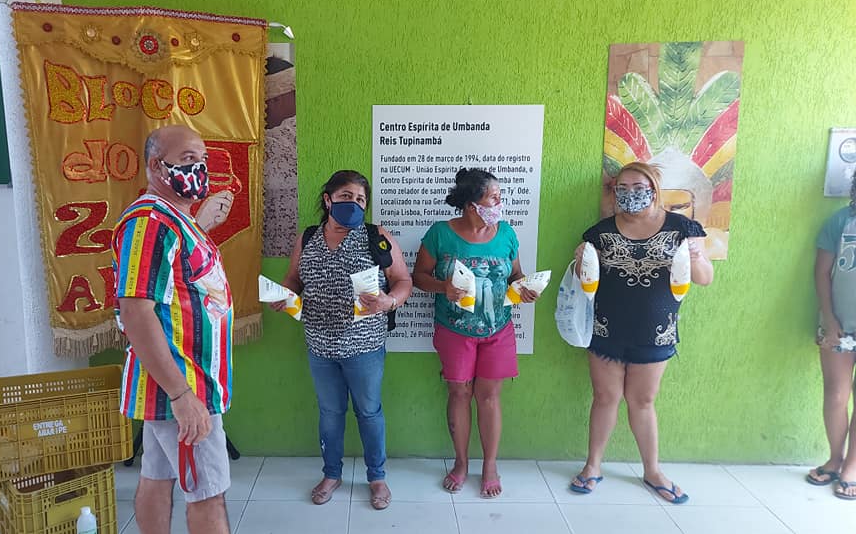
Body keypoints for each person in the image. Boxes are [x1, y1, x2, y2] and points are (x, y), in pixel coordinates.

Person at [113, 125, 234, 534]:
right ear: (155, 166)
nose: (198, 168)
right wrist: (182, 396)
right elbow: (136, 311)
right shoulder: (151, 223)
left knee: (157, 477)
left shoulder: (176, 220)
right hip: (181, 387)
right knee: (207, 493)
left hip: (180, 386)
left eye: (202, 160)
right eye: (187, 160)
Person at [569, 161, 713, 504]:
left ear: (653, 189)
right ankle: (592, 466)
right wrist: (579, 260)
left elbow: (705, 278)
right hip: (606, 327)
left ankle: (653, 471)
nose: (630, 194)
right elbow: (583, 279)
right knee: (605, 397)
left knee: (643, 401)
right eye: (622, 188)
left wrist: (696, 258)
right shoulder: (599, 233)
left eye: (638, 188)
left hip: (656, 331)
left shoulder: (682, 228)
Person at [271, 170, 412, 510]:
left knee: (369, 412)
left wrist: (389, 301)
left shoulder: (376, 236)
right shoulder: (308, 238)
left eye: (360, 199)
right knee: (330, 413)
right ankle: (331, 473)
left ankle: (376, 477)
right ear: (328, 199)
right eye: (346, 196)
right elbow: (293, 278)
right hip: (319, 345)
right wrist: (283, 294)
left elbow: (403, 280)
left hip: (364, 346)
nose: (354, 204)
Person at [412, 168, 540, 499]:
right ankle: (461, 463)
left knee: (489, 396)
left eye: (500, 197)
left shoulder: (506, 233)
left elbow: (515, 274)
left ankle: (490, 465)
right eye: (494, 198)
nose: (500, 204)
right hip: (454, 330)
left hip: (498, 329)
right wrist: (443, 287)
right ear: (472, 205)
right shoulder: (440, 234)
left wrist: (524, 287)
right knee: (459, 393)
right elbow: (418, 277)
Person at [807, 173, 856, 500]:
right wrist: (828, 316)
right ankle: (835, 459)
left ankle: (852, 467)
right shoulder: (840, 221)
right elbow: (822, 272)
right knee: (836, 394)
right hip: (838, 324)